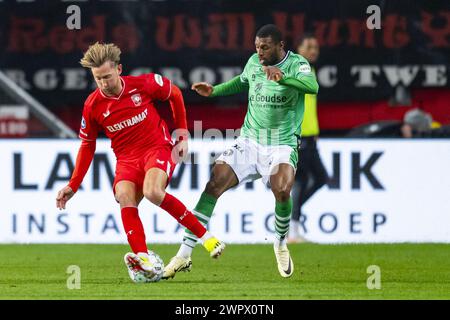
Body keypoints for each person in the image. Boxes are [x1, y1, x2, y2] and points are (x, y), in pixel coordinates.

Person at [55, 42, 225, 282]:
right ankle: (143, 258)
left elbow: (174, 94)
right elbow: (87, 145)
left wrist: (183, 134)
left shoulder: (144, 84)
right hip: (126, 158)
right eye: (97, 78)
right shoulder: (92, 106)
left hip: (157, 147)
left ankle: (207, 237)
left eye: (107, 76)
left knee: (153, 192)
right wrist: (73, 184)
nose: (104, 83)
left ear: (119, 69)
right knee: (124, 196)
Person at [163, 24, 319, 279]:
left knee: (282, 190)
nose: (259, 52)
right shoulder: (254, 63)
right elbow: (242, 81)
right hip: (250, 142)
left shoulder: (297, 64)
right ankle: (183, 255)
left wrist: (284, 77)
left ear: (280, 46)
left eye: (265, 47)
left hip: (281, 143)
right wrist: (215, 90)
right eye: (257, 46)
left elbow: (312, 86)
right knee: (214, 183)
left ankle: (280, 242)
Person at [288, 33, 329, 243]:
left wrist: (316, 131)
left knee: (303, 180)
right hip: (300, 136)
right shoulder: (295, 70)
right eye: (309, 47)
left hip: (310, 136)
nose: (314, 51)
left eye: (316, 48)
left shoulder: (308, 70)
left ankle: (292, 229)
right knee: (320, 177)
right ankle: (291, 224)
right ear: (299, 48)